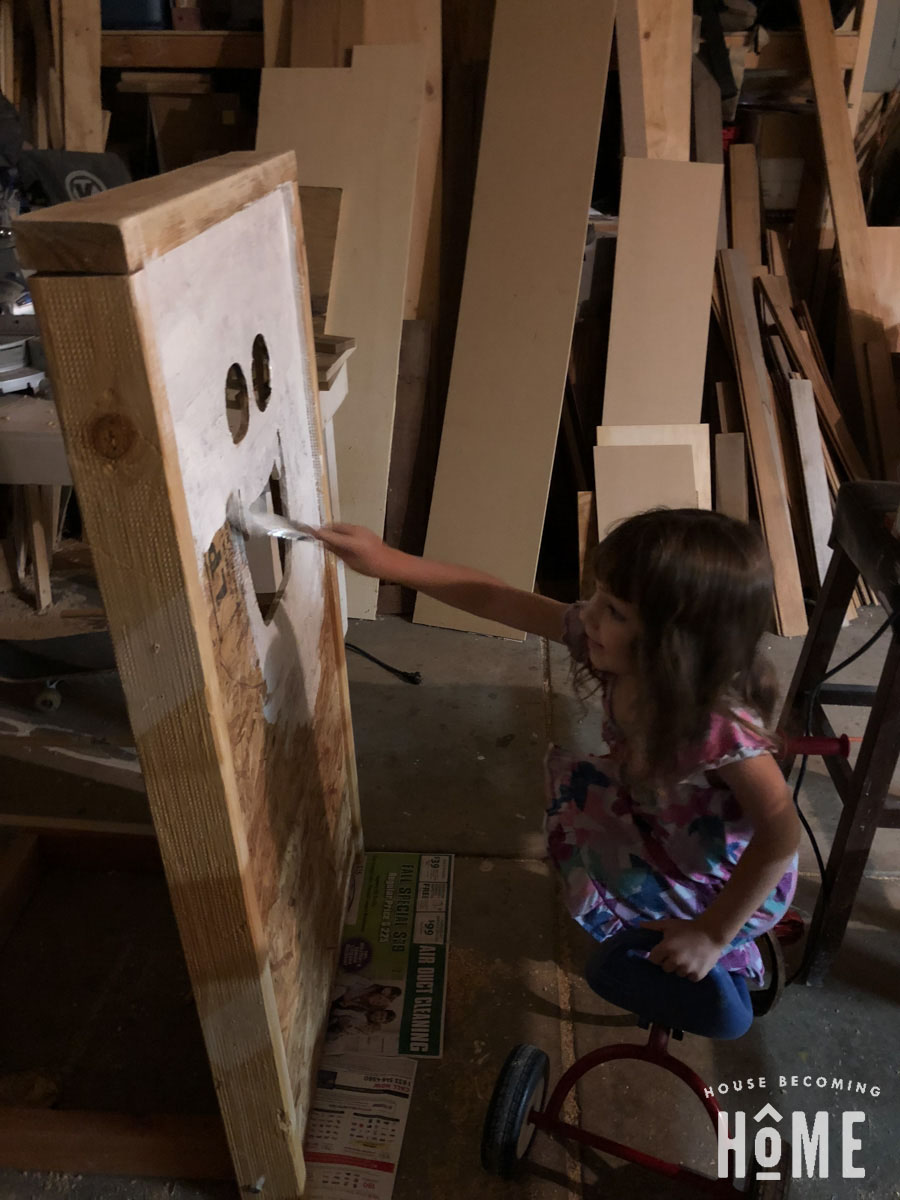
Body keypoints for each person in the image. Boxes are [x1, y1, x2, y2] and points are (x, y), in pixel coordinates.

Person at [315, 509, 801, 986]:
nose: (587, 615)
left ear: (675, 646)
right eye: (597, 596)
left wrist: (713, 933)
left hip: (722, 874)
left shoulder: (717, 726)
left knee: (661, 923)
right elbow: (497, 598)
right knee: (586, 821)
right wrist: (384, 561)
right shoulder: (618, 650)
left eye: (614, 611)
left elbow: (780, 837)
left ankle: (726, 954)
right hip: (663, 817)